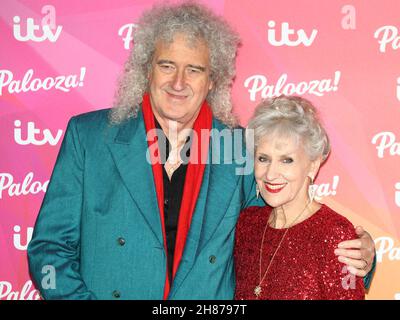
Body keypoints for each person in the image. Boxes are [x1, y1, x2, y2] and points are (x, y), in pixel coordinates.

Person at [28, 2, 375, 300]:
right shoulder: (90, 137)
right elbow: (48, 251)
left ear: (212, 80)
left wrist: (357, 254)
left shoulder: (242, 149)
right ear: (147, 69)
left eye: (194, 69)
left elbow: (283, 235)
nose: (178, 82)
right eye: (167, 65)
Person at [234, 96, 366, 299]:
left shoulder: (335, 235)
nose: (270, 174)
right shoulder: (247, 224)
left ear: (313, 165)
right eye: (263, 159)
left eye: (286, 160)